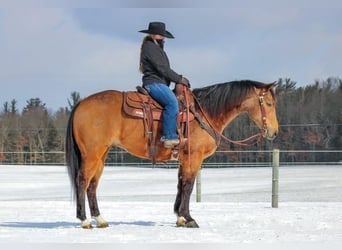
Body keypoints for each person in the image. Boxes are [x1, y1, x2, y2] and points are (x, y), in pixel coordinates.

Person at [139, 21, 190, 148]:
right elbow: (162, 68)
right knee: (172, 103)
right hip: (154, 83)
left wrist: (178, 78)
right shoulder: (151, 47)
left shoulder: (154, 47)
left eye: (163, 36)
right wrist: (179, 79)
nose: (163, 38)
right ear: (154, 35)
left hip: (158, 82)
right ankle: (169, 136)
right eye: (161, 36)